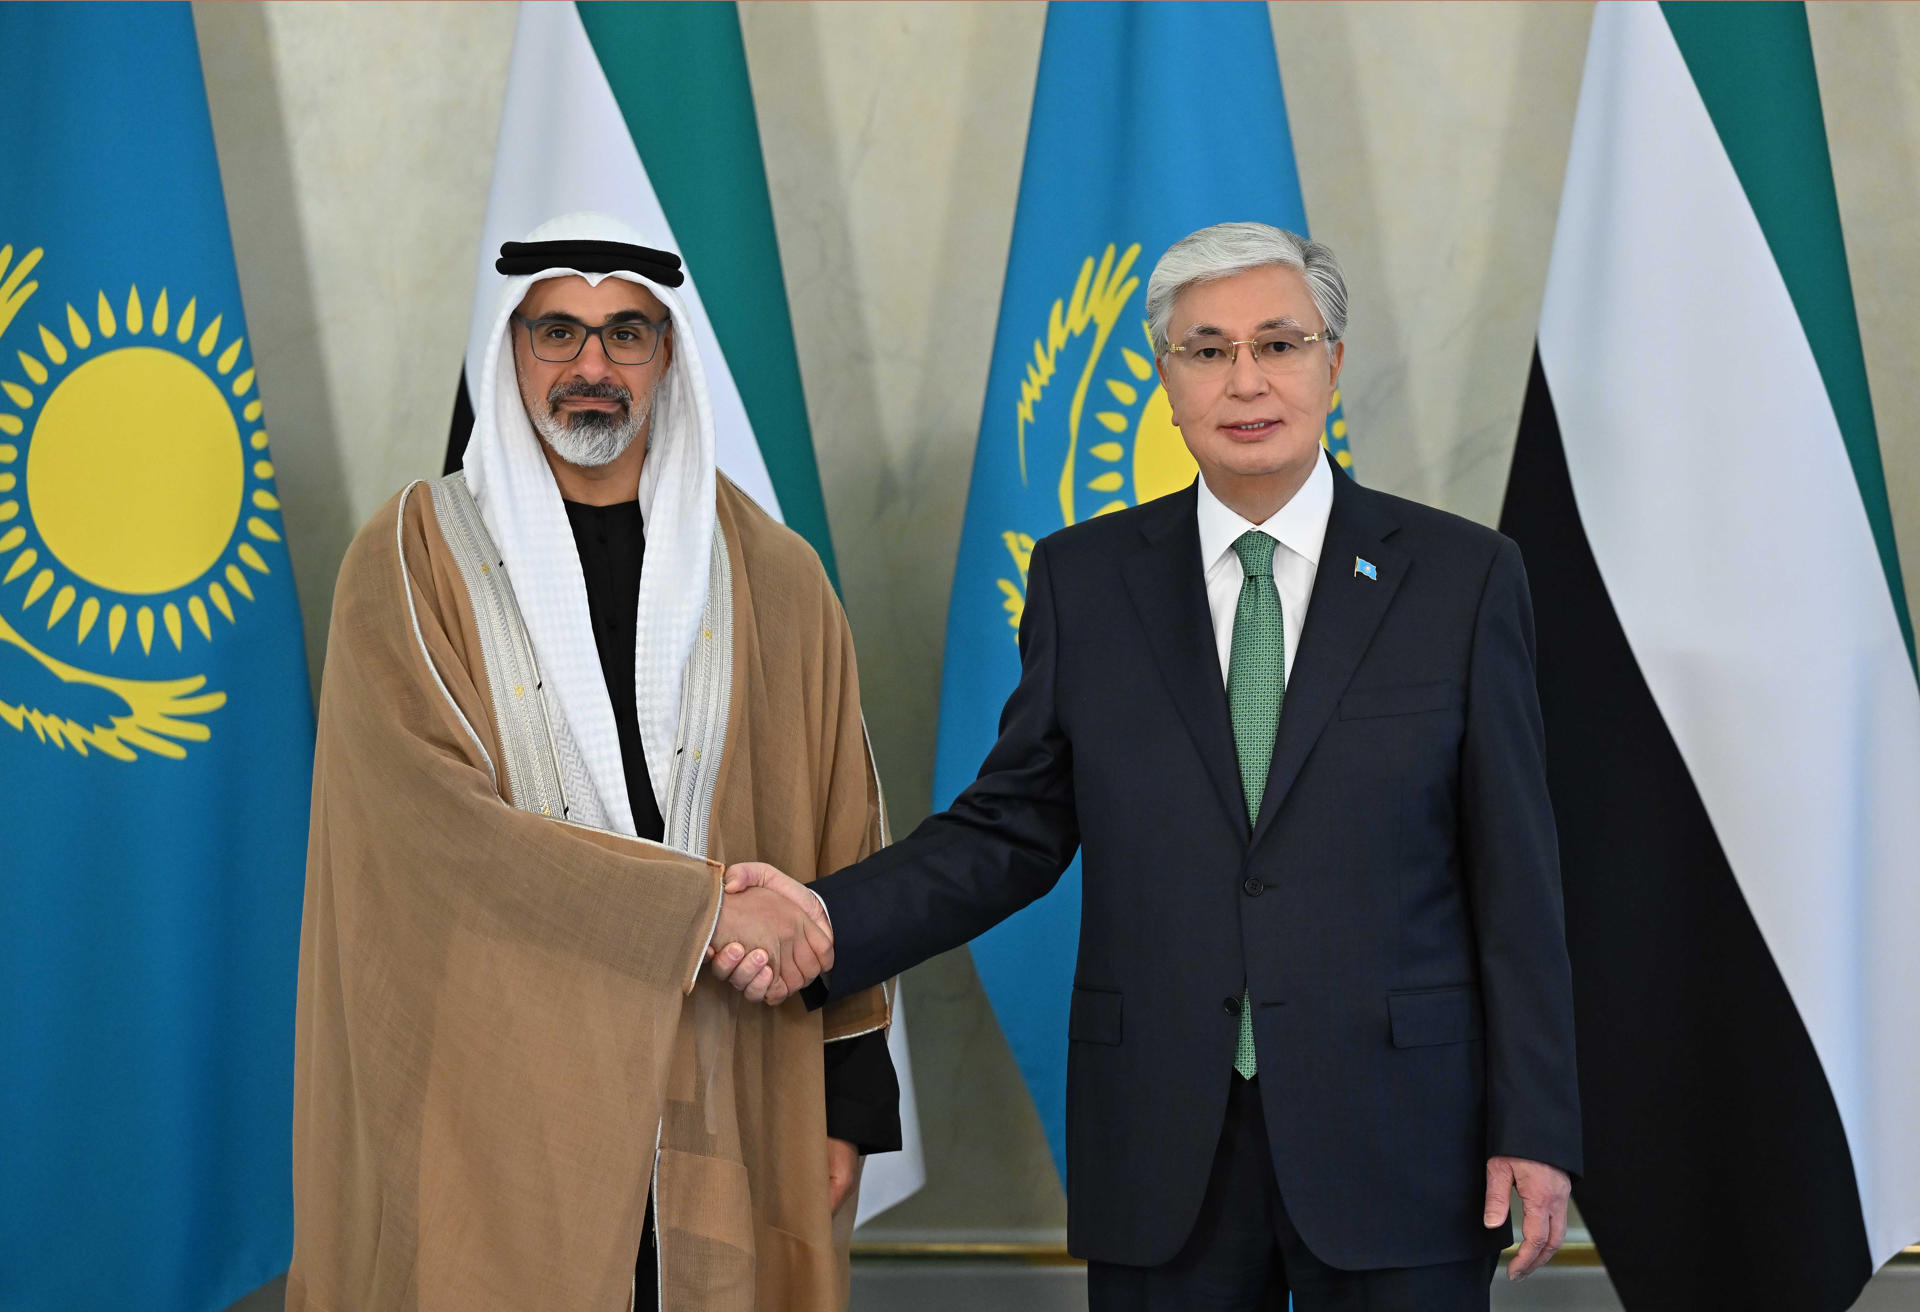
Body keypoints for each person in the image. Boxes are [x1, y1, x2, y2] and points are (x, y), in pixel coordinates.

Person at [716, 222, 1581, 1311]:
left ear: (1333, 363)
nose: (1246, 379)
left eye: (1279, 342)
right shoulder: (1086, 581)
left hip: (1403, 1124)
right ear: (1166, 383)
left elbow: (1518, 876)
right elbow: (1010, 830)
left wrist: (1535, 1123)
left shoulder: (1464, 577)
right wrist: (825, 923)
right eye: (1206, 350)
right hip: (1166, 1135)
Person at [288, 212, 895, 1312]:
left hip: (732, 1089)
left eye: (626, 334)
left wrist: (848, 1100)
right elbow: (439, 833)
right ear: (508, 351)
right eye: (555, 332)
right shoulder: (412, 560)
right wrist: (706, 910)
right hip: (493, 1104)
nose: (590, 368)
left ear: (669, 357)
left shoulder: (775, 575)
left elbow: (839, 836)